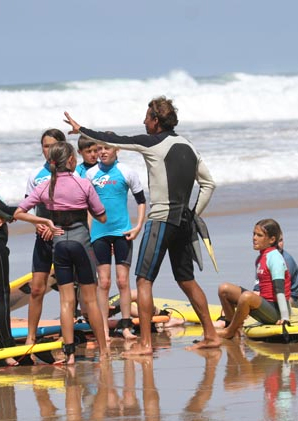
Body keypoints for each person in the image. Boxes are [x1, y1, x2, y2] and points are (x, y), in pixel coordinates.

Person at [63, 96, 220, 354]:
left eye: (147, 117)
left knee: (144, 280)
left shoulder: (153, 142)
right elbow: (208, 184)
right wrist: (193, 214)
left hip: (160, 219)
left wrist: (82, 130)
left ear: (156, 120)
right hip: (182, 221)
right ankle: (211, 334)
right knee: (187, 280)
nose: (144, 121)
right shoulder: (189, 146)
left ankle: (145, 343)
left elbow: (117, 140)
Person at [15, 142, 110, 364]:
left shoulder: (46, 186)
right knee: (90, 300)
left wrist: (44, 220)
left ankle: (69, 354)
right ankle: (104, 350)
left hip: (59, 245)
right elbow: (102, 216)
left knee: (66, 301)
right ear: (71, 161)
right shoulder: (83, 183)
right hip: (80, 243)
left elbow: (19, 212)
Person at [0, 144, 57, 365]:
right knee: (1, 295)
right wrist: (39, 219)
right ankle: (6, 347)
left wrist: (6, 216)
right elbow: (5, 209)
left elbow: (3, 212)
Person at [86, 144, 147, 341]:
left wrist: (138, 226)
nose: (102, 152)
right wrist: (88, 231)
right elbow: (86, 205)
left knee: (122, 280)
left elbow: (141, 200)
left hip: (123, 231)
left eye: (107, 148)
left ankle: (126, 326)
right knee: (103, 282)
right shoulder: (90, 174)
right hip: (99, 233)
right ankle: (103, 329)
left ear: (117, 150)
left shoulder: (126, 171)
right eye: (99, 149)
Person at [24, 129, 67, 346]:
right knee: (37, 288)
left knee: (65, 288)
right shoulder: (35, 174)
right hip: (42, 237)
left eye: (52, 145)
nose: (48, 150)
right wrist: (38, 224)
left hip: (65, 236)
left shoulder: (73, 173)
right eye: (44, 146)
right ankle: (31, 337)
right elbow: (27, 206)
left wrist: (57, 226)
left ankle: (65, 334)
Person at [216, 218, 291, 339]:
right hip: (265, 305)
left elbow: (280, 290)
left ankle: (230, 331)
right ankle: (232, 327)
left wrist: (285, 317)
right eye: (254, 234)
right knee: (224, 289)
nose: (254, 238)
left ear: (272, 240)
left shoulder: (275, 258)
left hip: (276, 311)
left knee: (247, 297)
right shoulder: (260, 258)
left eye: (259, 235)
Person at [254, 236, 298, 308]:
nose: (279, 244)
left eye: (281, 241)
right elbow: (258, 285)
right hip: (269, 295)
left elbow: (281, 289)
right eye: (277, 241)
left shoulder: (285, 260)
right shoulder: (262, 258)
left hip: (290, 297)